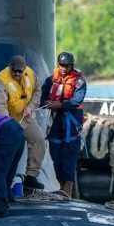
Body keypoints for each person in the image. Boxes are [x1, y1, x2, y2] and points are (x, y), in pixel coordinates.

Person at [0, 55, 45, 191]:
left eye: (20, 71)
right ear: (9, 67)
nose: (17, 74)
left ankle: (31, 176)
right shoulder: (1, 81)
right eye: (15, 71)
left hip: (25, 116)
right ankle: (4, 183)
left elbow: (37, 91)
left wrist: (31, 106)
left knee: (38, 140)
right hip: (6, 120)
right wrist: (10, 126)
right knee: (10, 148)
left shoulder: (31, 74)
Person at [40, 51, 87, 197]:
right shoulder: (50, 80)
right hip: (55, 122)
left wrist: (59, 105)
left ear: (71, 66)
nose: (63, 68)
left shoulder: (79, 82)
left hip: (71, 122)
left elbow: (76, 100)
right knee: (55, 155)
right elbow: (41, 96)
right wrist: (46, 103)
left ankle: (68, 190)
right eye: (61, 65)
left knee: (69, 156)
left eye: (66, 66)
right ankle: (59, 187)